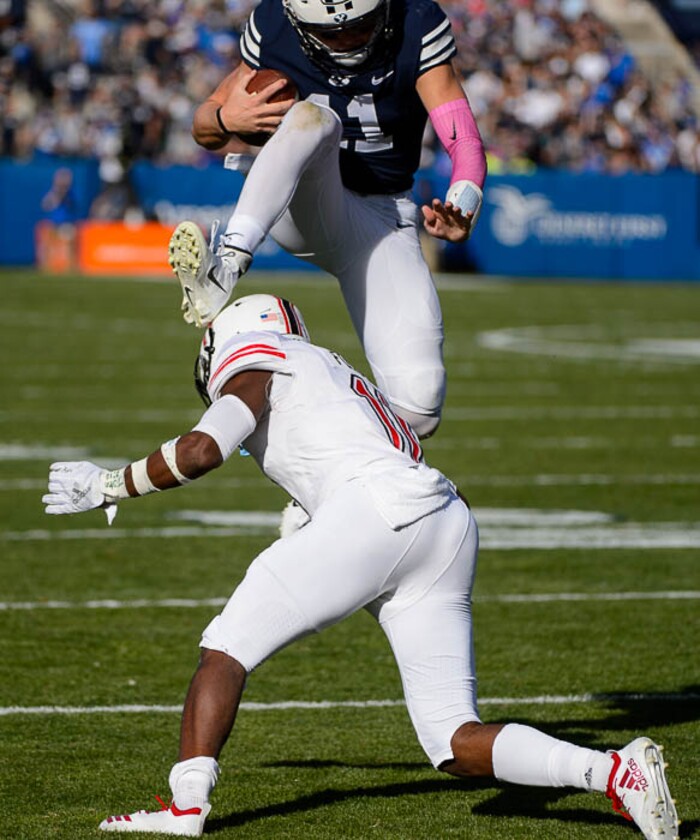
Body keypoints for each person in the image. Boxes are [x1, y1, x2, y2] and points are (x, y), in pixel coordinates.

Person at [43, 294, 678, 839]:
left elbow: (205, 447)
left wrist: (112, 484)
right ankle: (613, 772)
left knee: (225, 649)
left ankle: (185, 808)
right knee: (453, 741)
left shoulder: (262, 357)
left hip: (378, 513)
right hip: (444, 519)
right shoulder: (330, 371)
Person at [168, 0, 488, 439]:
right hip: (302, 201)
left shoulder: (414, 19)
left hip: (383, 216)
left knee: (420, 409)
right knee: (312, 119)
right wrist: (226, 117)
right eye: (333, 33)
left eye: (360, 26)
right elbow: (205, 127)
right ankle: (225, 264)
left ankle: (312, 446)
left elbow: (463, 136)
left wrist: (463, 199)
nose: (349, 40)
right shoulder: (275, 24)